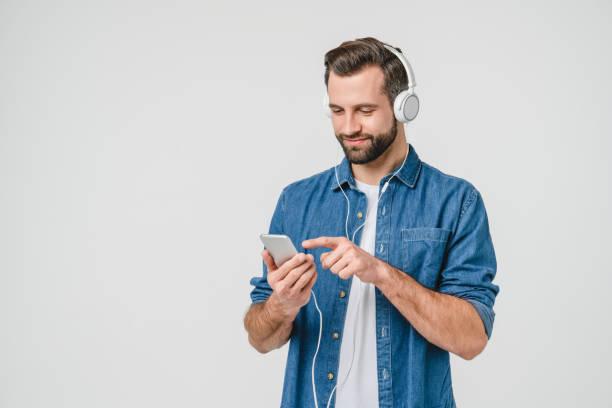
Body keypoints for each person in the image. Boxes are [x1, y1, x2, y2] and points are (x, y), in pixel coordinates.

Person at [243, 37, 499, 408]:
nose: (348, 127)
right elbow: (259, 338)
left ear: (403, 107)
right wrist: (281, 306)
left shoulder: (456, 202)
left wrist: (381, 272)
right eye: (337, 110)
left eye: (364, 110)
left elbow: (472, 339)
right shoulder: (296, 201)